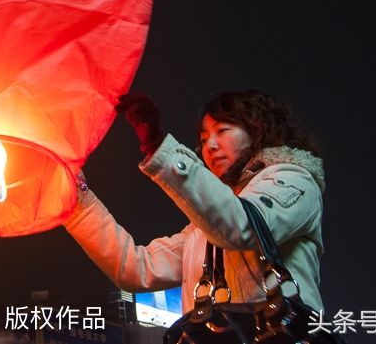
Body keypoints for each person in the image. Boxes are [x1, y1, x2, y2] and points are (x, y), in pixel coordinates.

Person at [63, 90, 326, 315]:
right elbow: (136, 268)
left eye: (222, 130)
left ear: (258, 131)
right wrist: (74, 197)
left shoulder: (295, 180)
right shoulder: (204, 230)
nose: (210, 145)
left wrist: (159, 147)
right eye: (203, 138)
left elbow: (243, 226)